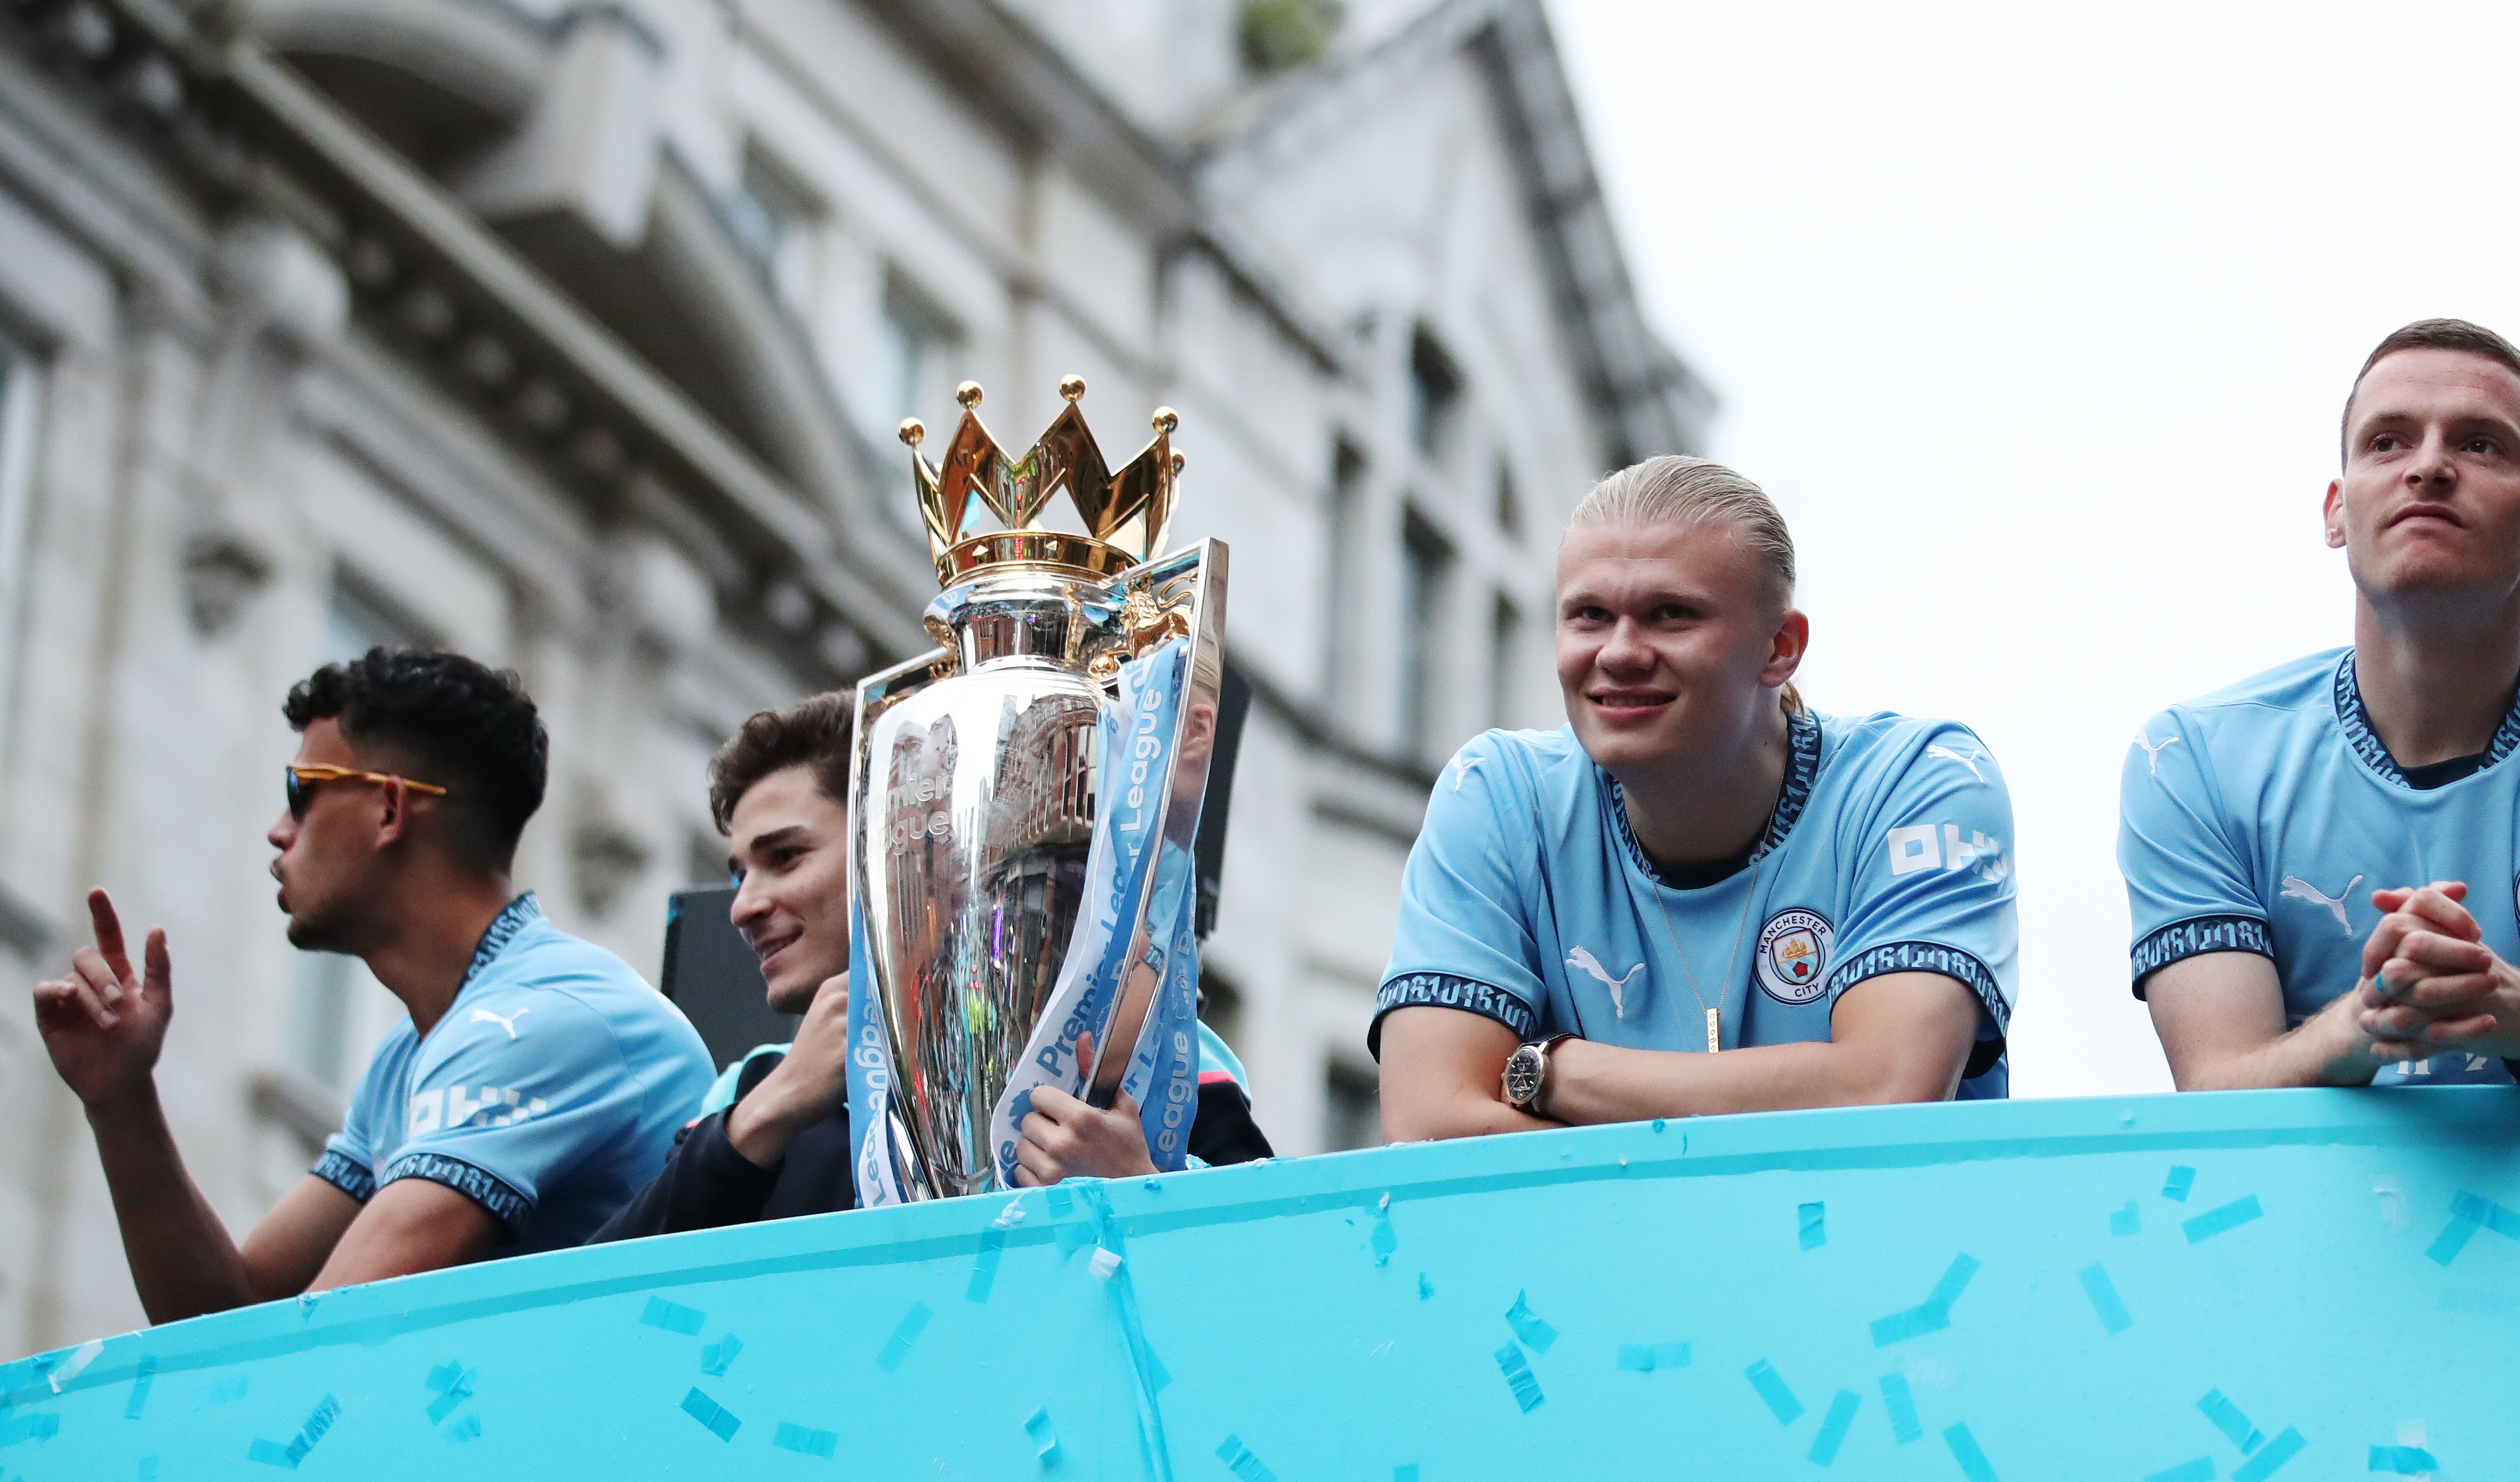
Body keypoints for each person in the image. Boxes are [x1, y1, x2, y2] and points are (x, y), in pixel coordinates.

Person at [2122, 319, 2520, 1090]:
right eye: (2385, 442)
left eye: (2479, 444)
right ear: (2334, 511)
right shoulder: (2190, 761)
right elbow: (2216, 1086)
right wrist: (2359, 1025)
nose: (2426, 467)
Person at [32, 650, 712, 1323]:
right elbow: (228, 1314)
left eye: (301, 792)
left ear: (389, 809)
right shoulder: (414, 1051)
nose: (278, 831)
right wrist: (121, 1097)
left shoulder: (540, 1022)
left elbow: (315, 1343)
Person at [1373, 456, 2019, 1141]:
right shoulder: (1495, 795)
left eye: (1670, 615)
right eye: (1590, 616)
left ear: (1780, 647)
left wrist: (1554, 1071)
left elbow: (1886, 1089)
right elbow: (1429, 1122)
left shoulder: (1917, 780)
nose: (1619, 652)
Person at [592, 693, 1270, 1242]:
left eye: (785, 858)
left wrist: (1140, 1190)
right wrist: (766, 1114)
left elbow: (1285, 1280)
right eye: (739, 874)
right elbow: (591, 1303)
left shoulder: (1143, 1054)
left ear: (901, 849)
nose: (742, 907)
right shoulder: (750, 1093)